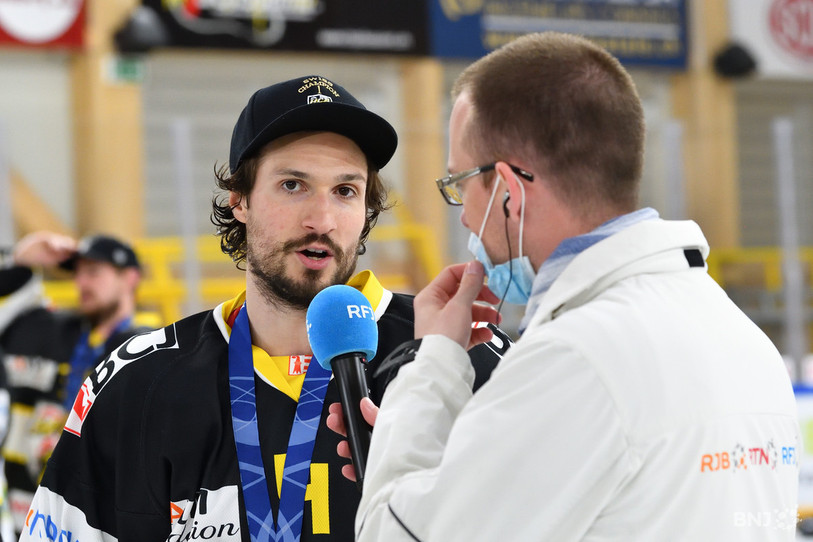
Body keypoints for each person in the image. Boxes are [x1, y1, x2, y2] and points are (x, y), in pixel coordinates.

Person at [336, 33, 801, 541]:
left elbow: (394, 533)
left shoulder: (577, 359)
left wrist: (431, 365)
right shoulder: (741, 337)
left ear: (509, 191)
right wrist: (453, 459)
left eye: (459, 183)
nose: (466, 216)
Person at [20, 75, 509, 542]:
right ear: (240, 200)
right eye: (292, 185)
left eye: (345, 191)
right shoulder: (138, 382)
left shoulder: (458, 356)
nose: (322, 220)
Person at [0, 232, 150, 535]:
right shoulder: (45, 330)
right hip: (24, 516)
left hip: (96, 523)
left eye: (94, 272)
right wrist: (20, 259)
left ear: (129, 277)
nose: (82, 282)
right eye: (77, 273)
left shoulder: (149, 349)